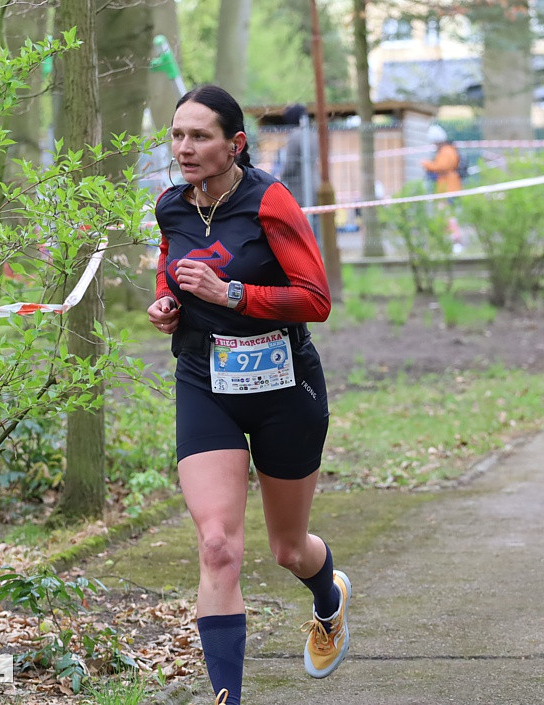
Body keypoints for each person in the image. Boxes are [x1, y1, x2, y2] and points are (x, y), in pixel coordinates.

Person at [147, 85, 351, 705]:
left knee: (289, 548)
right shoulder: (171, 206)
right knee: (217, 545)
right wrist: (168, 301)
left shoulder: (270, 202)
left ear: (235, 144)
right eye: (178, 135)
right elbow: (172, 265)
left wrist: (229, 293)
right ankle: (227, 697)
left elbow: (315, 299)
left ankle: (328, 597)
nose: (184, 148)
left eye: (199, 136)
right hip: (205, 380)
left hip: (284, 384)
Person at [420, 124, 464, 252]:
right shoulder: (445, 150)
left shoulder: (447, 151)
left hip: (450, 189)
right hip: (444, 188)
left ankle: (456, 242)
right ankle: (449, 242)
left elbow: (443, 166)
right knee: (444, 217)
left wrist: (428, 165)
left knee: (449, 217)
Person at [273, 103, 319, 209]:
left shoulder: (295, 136)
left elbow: (290, 165)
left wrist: (279, 178)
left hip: (299, 189)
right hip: (315, 184)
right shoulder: (312, 134)